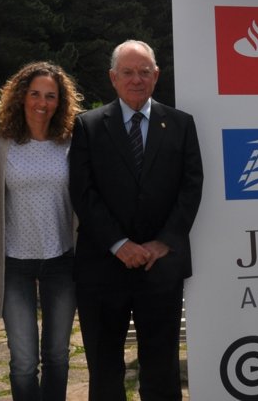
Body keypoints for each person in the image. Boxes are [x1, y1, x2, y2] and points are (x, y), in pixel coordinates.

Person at [69, 40, 204, 401]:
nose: (136, 79)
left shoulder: (181, 124)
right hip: (102, 266)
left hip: (160, 267)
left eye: (144, 72)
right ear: (113, 77)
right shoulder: (88, 126)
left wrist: (164, 242)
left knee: (162, 369)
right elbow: (83, 193)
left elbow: (191, 187)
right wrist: (119, 244)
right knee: (104, 370)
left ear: (156, 75)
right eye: (127, 72)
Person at [0, 62, 84, 401]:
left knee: (57, 356)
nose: (42, 102)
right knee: (24, 362)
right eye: (35, 93)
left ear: (61, 101)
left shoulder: (72, 143)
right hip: (14, 263)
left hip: (62, 260)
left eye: (51, 96)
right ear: (21, 96)